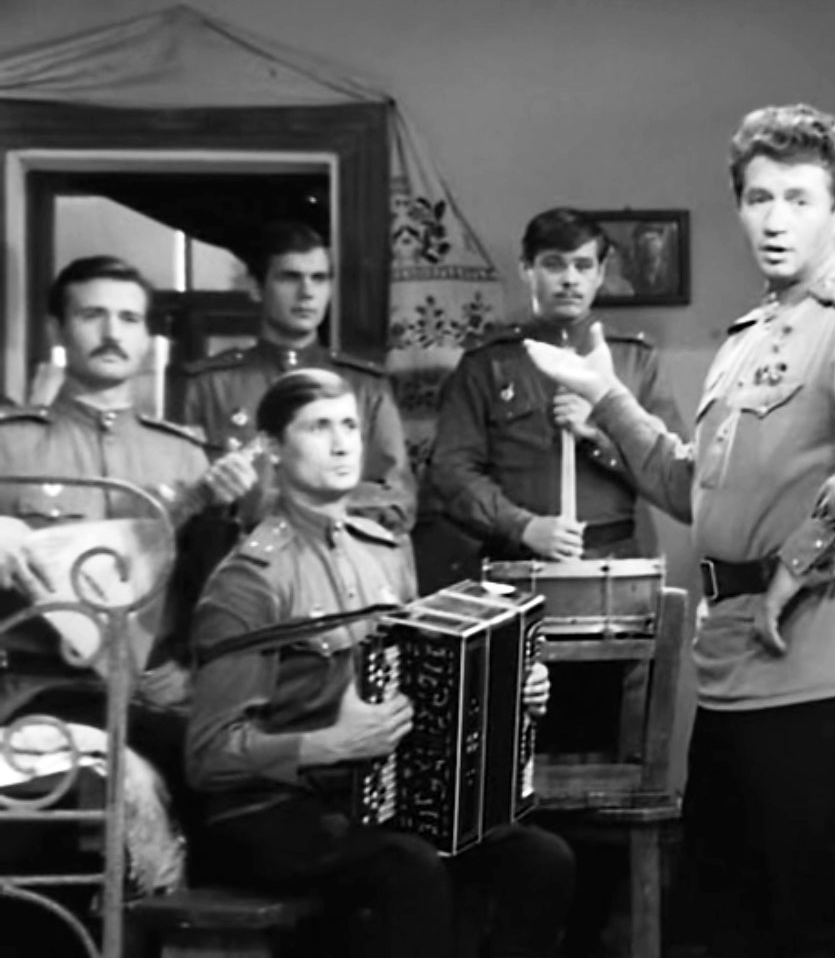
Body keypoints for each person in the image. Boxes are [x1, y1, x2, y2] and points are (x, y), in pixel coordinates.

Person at [523, 104, 835, 958]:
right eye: (758, 199)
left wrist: (802, 555)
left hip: (813, 671)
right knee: (725, 925)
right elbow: (693, 487)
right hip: (732, 671)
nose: (775, 219)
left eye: (798, 198)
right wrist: (608, 397)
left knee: (819, 926)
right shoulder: (751, 336)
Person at [186, 369, 574, 958]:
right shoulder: (249, 580)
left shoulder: (387, 552)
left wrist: (511, 690)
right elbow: (209, 757)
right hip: (271, 808)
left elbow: (421, 683)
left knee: (540, 858)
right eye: (318, 427)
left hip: (375, 797)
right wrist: (328, 745)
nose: (342, 443)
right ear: (272, 447)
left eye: (349, 425)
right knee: (407, 867)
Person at [0, 256, 257, 887]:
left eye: (129, 318)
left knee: (239, 787)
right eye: (93, 315)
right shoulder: (10, 445)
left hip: (158, 690)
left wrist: (232, 511)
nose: (112, 333)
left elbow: (214, 593)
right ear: (59, 328)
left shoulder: (184, 455)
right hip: (40, 688)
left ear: (146, 337)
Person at [426, 207, 683, 566]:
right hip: (516, 562)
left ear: (600, 273)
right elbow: (450, 470)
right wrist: (522, 526)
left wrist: (600, 436)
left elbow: (672, 473)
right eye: (554, 265)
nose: (570, 279)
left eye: (583, 266)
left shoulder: (635, 360)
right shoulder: (487, 363)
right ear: (526, 269)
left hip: (613, 561)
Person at [182, 221, 415, 534]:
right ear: (256, 287)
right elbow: (182, 503)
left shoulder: (364, 386)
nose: (307, 293)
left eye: (319, 278)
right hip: (237, 558)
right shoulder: (209, 385)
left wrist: (281, 507)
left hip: (337, 558)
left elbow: (397, 502)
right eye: (290, 278)